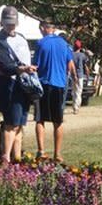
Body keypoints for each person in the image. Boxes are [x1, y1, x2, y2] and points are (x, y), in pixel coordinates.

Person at [0, 6, 36, 164]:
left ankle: (17, 158)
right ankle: (6, 158)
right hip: (8, 84)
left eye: (13, 23)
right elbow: (4, 64)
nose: (11, 26)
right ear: (1, 22)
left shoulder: (21, 37)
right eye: (7, 23)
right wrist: (21, 68)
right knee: (11, 123)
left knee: (20, 123)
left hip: (23, 84)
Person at [32, 19, 75, 162]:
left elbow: (35, 65)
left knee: (40, 119)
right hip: (59, 84)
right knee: (58, 120)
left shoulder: (40, 43)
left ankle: (41, 151)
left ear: (43, 28)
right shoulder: (64, 44)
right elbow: (70, 64)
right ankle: (57, 153)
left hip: (43, 84)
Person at [72, 40, 88, 113]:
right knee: (79, 91)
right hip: (80, 75)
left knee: (74, 91)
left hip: (72, 75)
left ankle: (75, 105)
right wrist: (87, 74)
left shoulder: (71, 54)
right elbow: (85, 65)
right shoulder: (82, 55)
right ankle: (76, 107)